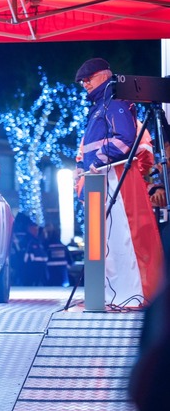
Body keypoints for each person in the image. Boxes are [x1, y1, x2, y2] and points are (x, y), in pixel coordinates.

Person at [74, 57, 163, 307]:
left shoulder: (114, 102)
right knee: (109, 241)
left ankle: (131, 294)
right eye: (82, 81)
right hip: (101, 179)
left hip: (115, 180)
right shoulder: (100, 106)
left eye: (88, 79)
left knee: (123, 237)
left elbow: (124, 138)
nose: (85, 84)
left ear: (104, 75)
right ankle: (114, 294)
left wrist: (98, 161)